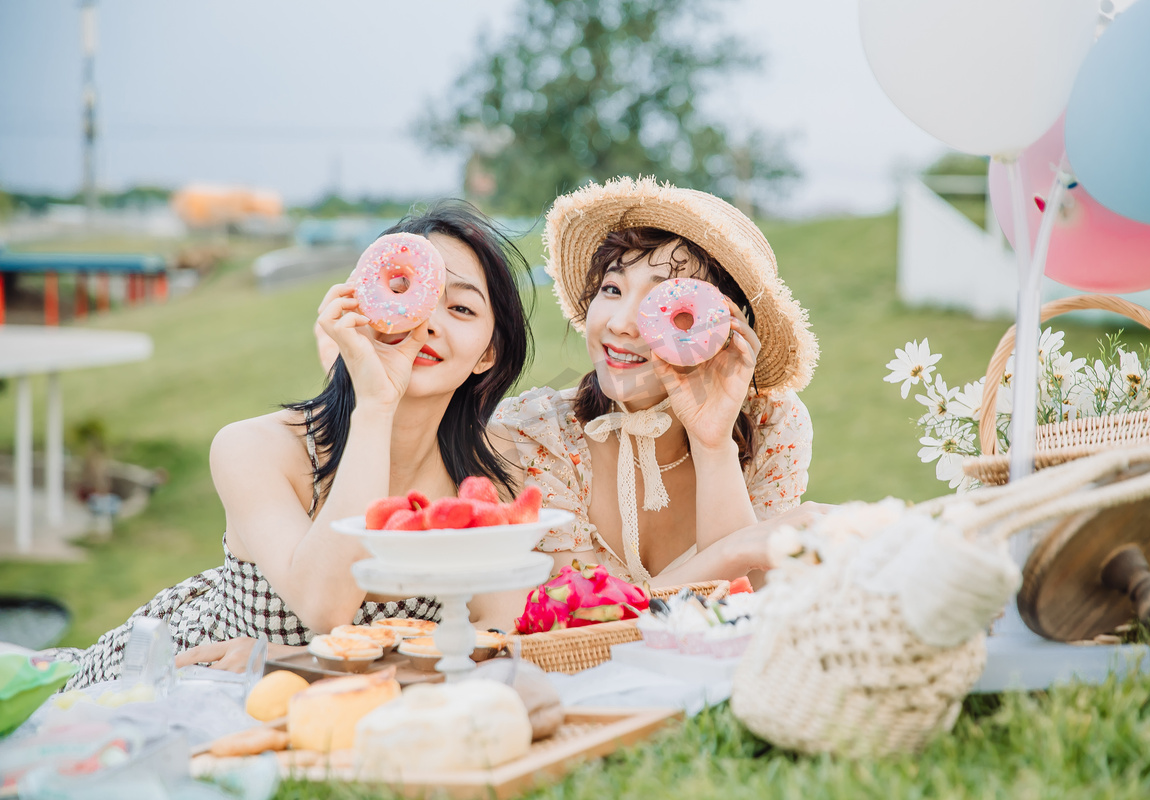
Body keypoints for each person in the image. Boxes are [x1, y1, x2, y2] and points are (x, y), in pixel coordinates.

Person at [43, 202, 534, 687]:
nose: (428, 322)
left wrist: (292, 658)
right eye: (408, 292)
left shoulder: (488, 476)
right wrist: (377, 405)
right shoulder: (255, 448)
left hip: (326, 704)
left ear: (487, 353)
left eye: (461, 308)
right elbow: (326, 607)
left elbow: (492, 643)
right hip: (175, 682)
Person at [484, 177, 824, 608]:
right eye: (612, 289)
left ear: (727, 329)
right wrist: (730, 553)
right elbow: (583, 619)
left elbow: (754, 611)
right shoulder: (533, 436)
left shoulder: (772, 425)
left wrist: (713, 445)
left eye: (668, 304)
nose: (623, 323)